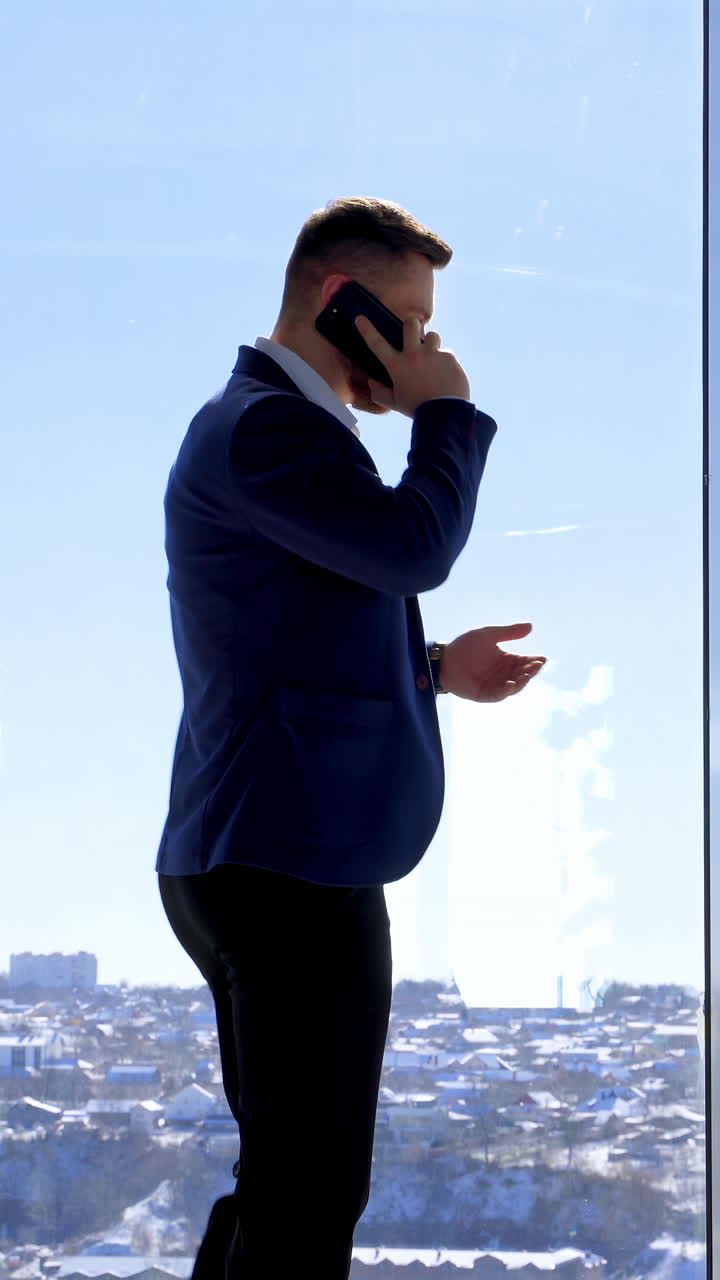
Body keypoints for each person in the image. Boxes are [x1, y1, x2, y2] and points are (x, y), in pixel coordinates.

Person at [156, 195, 546, 1279]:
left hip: (280, 853)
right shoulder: (264, 428)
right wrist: (448, 414)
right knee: (311, 1186)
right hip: (281, 863)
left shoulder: (284, 431)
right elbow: (413, 548)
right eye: (409, 319)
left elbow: (295, 639)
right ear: (342, 301)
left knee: (296, 1178)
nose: (427, 345)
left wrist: (432, 670)